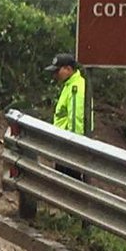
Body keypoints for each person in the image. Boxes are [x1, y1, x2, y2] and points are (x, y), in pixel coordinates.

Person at [46, 52, 87, 180]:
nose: (55, 75)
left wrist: (73, 147)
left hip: (69, 146)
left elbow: (76, 119)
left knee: (69, 185)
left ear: (68, 69)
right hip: (63, 143)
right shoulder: (69, 85)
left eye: (57, 71)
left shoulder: (76, 87)